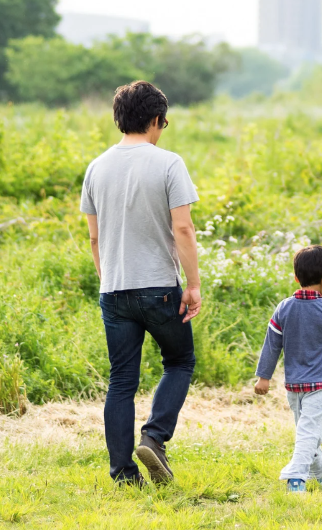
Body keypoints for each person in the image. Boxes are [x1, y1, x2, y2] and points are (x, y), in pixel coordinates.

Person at [80, 81, 202, 486]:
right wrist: (193, 285)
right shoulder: (169, 164)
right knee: (180, 361)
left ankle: (122, 474)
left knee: (121, 381)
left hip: (113, 289)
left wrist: (109, 279)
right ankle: (154, 437)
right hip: (159, 287)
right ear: (156, 119)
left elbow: (94, 238)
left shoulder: (96, 167)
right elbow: (183, 228)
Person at [253, 245, 322, 493]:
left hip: (293, 386)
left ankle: (319, 470)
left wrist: (264, 377)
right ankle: (297, 478)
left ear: (296, 278)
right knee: (309, 432)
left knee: (307, 431)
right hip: (319, 385)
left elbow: (271, 344)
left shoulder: (284, 308)